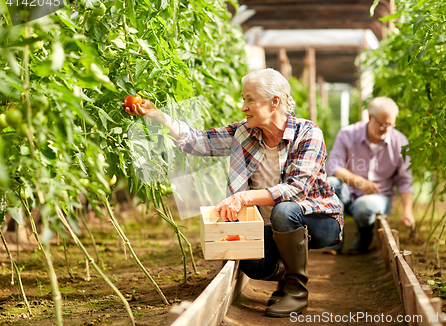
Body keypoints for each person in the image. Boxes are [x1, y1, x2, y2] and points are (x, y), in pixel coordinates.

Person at [123, 68, 343, 317]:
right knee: (252, 264)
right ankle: (287, 270)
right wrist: (157, 116)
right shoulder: (244, 133)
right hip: (272, 226)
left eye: (250, 99)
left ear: (274, 102)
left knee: (284, 210)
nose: (243, 107)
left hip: (319, 219)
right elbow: (199, 141)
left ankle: (296, 292)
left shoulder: (307, 133)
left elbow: (296, 189)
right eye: (243, 99)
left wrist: (244, 197)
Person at [324, 96, 414, 255]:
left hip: (379, 198)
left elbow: (405, 180)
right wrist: (359, 182)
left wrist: (408, 211)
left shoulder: (400, 143)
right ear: (370, 117)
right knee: (331, 183)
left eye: (391, 125)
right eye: (382, 124)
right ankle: (334, 237)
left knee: (364, 206)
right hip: (348, 193)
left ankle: (365, 236)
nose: (386, 129)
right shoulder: (347, 134)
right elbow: (333, 167)